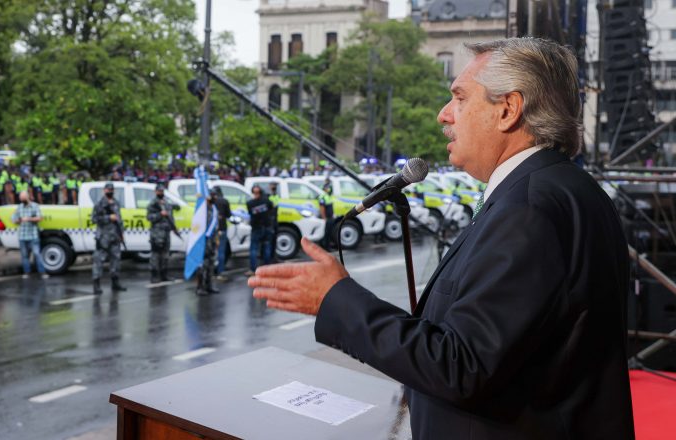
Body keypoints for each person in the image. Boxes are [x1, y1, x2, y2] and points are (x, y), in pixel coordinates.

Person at [249, 38, 634, 439]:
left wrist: (337, 299)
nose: (443, 115)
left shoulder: (529, 208)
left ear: (508, 110)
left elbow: (462, 366)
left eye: (460, 98)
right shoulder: (561, 188)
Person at [92, 182, 126, 294]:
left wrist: (121, 233)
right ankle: (96, 285)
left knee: (116, 260)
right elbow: (94, 219)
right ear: (104, 190)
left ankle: (115, 283)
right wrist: (108, 217)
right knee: (99, 261)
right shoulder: (100, 204)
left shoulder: (116, 203)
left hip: (115, 236)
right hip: (103, 238)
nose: (110, 191)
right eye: (108, 190)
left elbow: (119, 219)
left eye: (112, 189)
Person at [11, 190, 48, 279]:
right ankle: (27, 272)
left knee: (37, 254)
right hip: (22, 235)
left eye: (23, 199)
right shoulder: (19, 207)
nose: (22, 201)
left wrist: (29, 219)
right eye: (21, 199)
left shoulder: (34, 206)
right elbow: (14, 218)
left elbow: (40, 218)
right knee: (24, 256)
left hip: (33, 235)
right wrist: (19, 220)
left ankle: (42, 272)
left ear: (27, 197)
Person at [146, 183, 173, 283]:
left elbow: (170, 216)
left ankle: (164, 274)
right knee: (156, 255)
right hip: (157, 233)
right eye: (159, 191)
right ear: (156, 192)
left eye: (162, 191)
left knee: (165, 255)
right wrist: (159, 214)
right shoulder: (153, 204)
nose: (161, 193)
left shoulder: (166, 203)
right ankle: (154, 275)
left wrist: (172, 227)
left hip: (166, 232)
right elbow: (149, 217)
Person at [195, 192, 220, 296]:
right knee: (202, 265)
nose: (215, 197)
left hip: (212, 241)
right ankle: (200, 287)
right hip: (203, 242)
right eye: (213, 195)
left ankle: (209, 285)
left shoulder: (214, 209)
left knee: (211, 264)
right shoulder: (202, 210)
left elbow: (215, 226)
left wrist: (217, 239)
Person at [245, 185, 273, 276]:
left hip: (256, 228)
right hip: (267, 227)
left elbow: (250, 213)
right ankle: (267, 269)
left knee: (254, 249)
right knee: (266, 248)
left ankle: (253, 269)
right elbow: (271, 208)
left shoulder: (250, 203)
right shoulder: (266, 201)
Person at [213, 187, 232, 281]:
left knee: (211, 251)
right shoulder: (225, 201)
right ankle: (220, 271)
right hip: (222, 229)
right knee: (221, 251)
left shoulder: (210, 201)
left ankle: (210, 271)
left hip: (212, 230)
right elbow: (229, 215)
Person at [318, 181, 336, 251]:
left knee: (329, 233)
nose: (329, 189)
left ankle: (328, 246)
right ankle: (326, 247)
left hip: (330, 217)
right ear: (324, 188)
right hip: (327, 218)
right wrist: (324, 218)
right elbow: (322, 208)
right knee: (326, 233)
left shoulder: (328, 196)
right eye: (328, 188)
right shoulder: (323, 196)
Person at [268, 183, 280, 262]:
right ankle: (269, 258)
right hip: (270, 221)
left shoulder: (276, 196)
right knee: (270, 240)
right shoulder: (268, 196)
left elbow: (276, 206)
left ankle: (273, 257)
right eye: (273, 187)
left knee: (273, 240)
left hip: (274, 220)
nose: (274, 188)